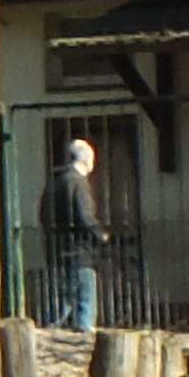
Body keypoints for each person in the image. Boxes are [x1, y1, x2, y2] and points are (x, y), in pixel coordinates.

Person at [45, 136, 109, 333]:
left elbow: (43, 214)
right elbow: (85, 215)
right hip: (79, 248)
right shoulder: (78, 183)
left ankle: (56, 328)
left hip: (57, 245)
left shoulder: (54, 182)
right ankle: (84, 330)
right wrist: (101, 235)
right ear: (85, 160)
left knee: (65, 293)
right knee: (85, 292)